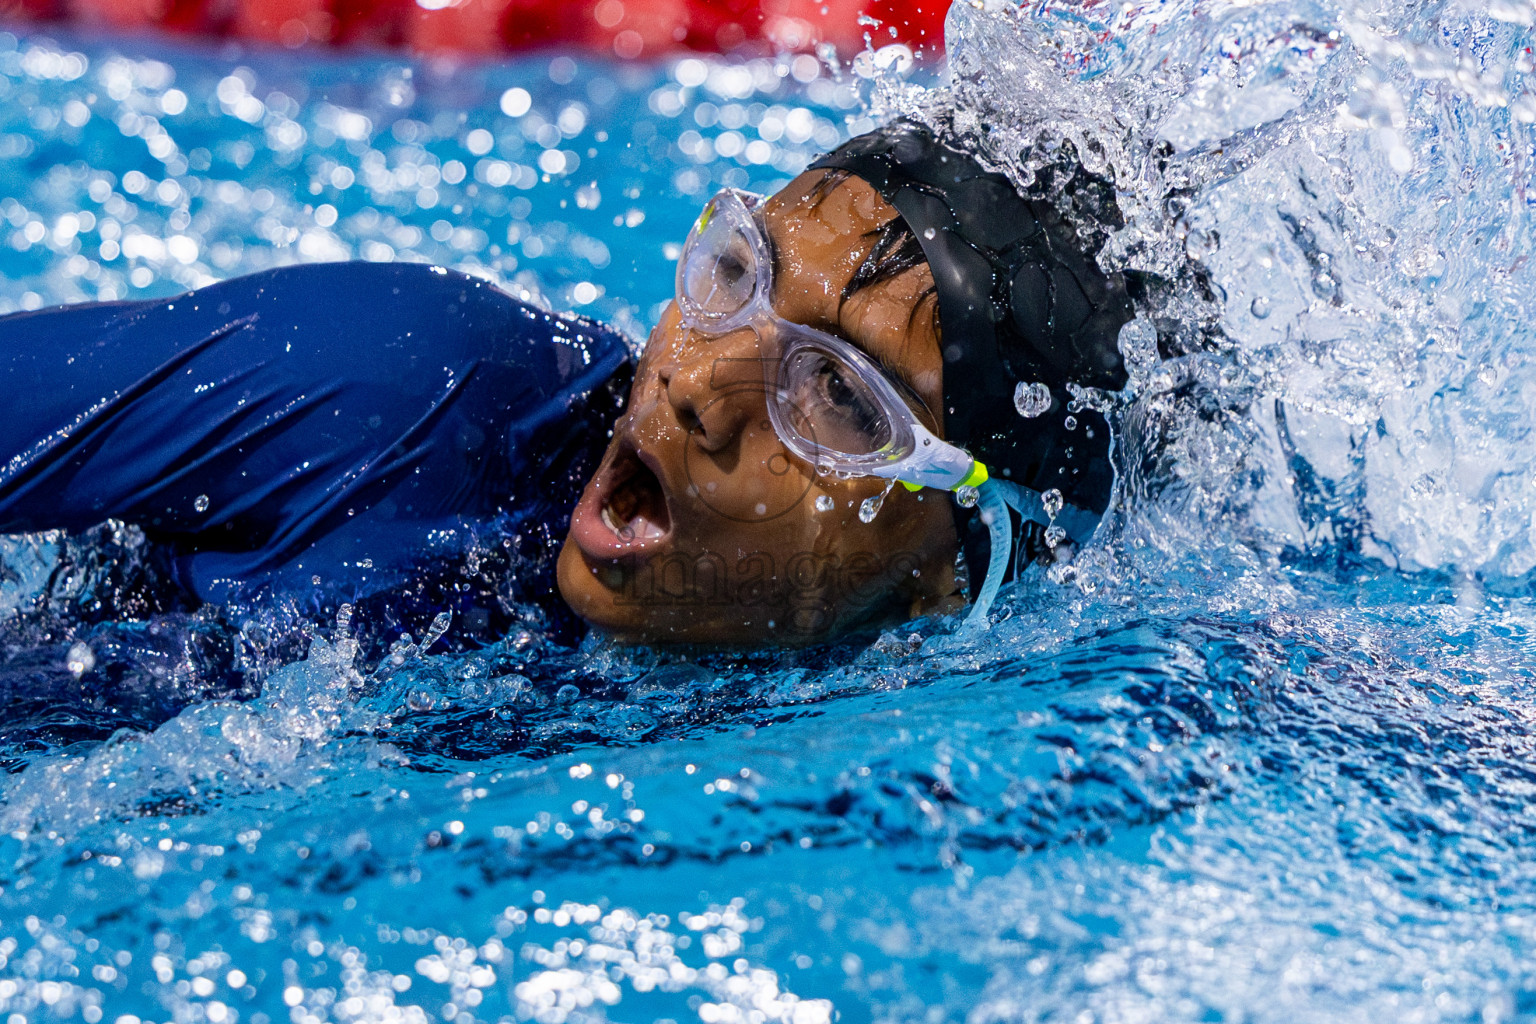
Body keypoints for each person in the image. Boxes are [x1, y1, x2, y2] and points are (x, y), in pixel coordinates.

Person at [0, 119, 1134, 649]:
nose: (695, 382)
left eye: (836, 397)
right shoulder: (396, 393)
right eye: (737, 274)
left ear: (953, 570)